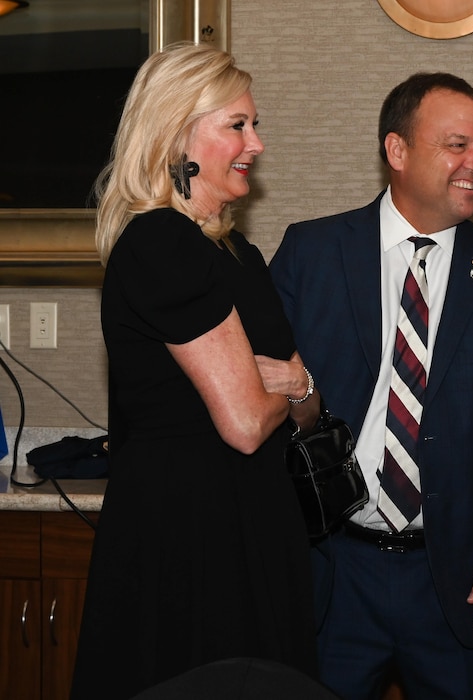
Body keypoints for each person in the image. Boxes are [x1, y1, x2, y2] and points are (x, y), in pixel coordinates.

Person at [269, 72, 473, 699]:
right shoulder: (312, 253)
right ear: (396, 151)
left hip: (460, 580)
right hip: (334, 571)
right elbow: (262, 397)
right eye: (457, 145)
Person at [71, 42, 323, 699]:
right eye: (236, 125)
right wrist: (290, 382)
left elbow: (302, 408)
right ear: (175, 135)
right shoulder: (162, 242)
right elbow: (244, 425)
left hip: (252, 531)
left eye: (254, 124)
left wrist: (291, 386)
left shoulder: (240, 252)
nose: (256, 144)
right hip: (191, 542)